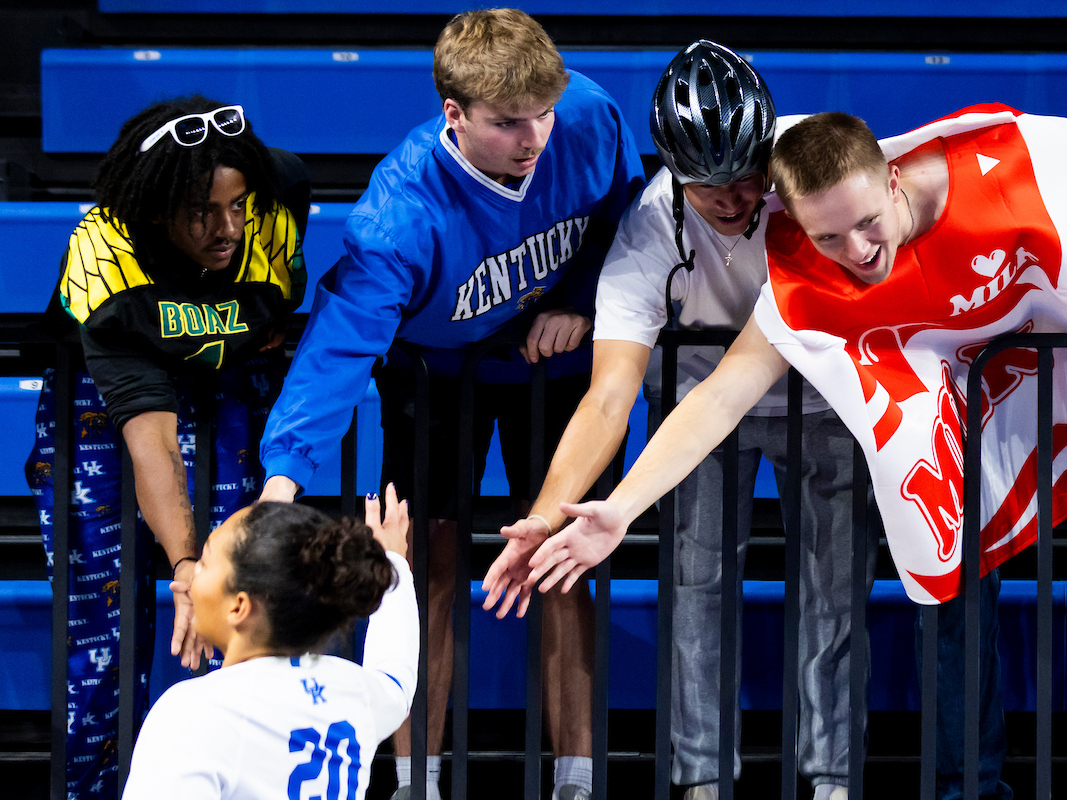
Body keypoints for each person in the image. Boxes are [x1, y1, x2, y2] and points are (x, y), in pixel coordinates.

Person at [523, 106, 1067, 799]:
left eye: (868, 222)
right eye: (828, 237)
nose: (857, 251)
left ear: (893, 179)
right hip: (985, 405)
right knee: (952, 591)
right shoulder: (805, 279)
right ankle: (969, 788)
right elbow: (718, 398)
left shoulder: (991, 170)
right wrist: (620, 509)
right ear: (795, 222)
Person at [256, 9, 644, 800]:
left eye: (542, 114)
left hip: (551, 367)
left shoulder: (588, 113)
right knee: (424, 557)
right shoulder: (398, 213)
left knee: (563, 551)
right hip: (433, 376)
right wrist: (282, 481)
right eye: (507, 124)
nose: (534, 138)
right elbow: (338, 350)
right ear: (454, 114)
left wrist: (579, 298)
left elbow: (626, 219)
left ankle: (576, 780)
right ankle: (416, 780)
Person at [481, 41, 866, 800]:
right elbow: (608, 397)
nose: (733, 199)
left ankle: (832, 780)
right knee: (697, 589)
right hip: (699, 414)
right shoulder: (649, 227)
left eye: (747, 176)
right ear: (673, 170)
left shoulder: (817, 164)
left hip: (823, 403)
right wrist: (544, 514)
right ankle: (702, 780)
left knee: (834, 590)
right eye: (708, 185)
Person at [24, 95, 308, 800]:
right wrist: (185, 561)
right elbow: (149, 434)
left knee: (235, 615)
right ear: (155, 212)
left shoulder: (274, 196)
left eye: (236, 207)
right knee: (102, 639)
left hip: (226, 394)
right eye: (203, 213)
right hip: (101, 407)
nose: (229, 228)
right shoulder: (105, 260)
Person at [122, 486, 418, 797]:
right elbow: (396, 675)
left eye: (205, 563)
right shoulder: (356, 691)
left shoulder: (191, 712)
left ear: (238, 607)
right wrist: (395, 563)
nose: (192, 574)